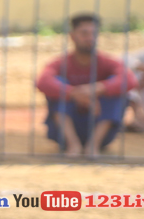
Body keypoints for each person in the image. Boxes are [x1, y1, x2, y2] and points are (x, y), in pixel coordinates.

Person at [36, 13, 137, 157]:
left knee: (115, 87)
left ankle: (93, 146)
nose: (90, 38)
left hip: (100, 128)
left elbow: (130, 79)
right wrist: (73, 93)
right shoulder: (61, 63)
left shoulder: (107, 62)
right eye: (84, 33)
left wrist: (97, 88)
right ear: (72, 36)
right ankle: (73, 144)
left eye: (93, 33)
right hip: (62, 133)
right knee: (58, 84)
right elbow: (43, 81)